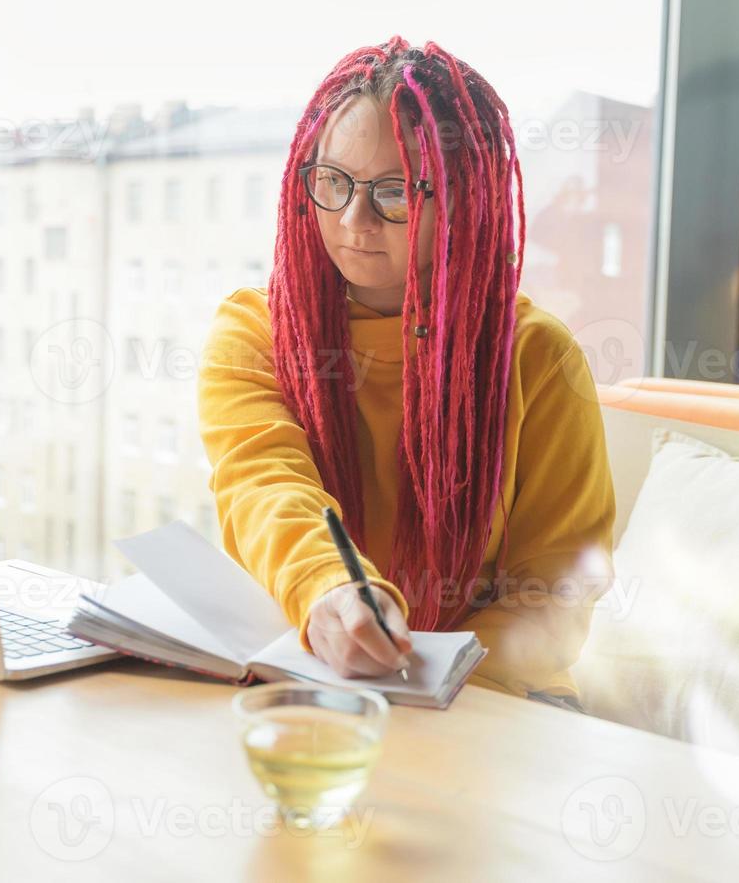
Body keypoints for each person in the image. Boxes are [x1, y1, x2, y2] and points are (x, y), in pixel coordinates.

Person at [197, 37, 615, 708]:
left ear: (464, 197)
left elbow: (555, 591)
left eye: (395, 192)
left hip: (494, 699)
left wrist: (417, 679)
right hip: (313, 678)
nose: (353, 221)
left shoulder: (537, 357)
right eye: (331, 183)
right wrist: (330, 590)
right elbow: (263, 485)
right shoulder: (253, 333)